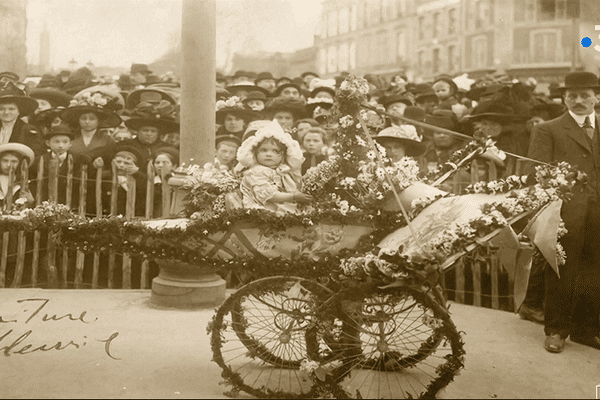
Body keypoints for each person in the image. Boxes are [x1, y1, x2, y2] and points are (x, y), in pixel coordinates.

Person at [528, 71, 600, 353]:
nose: (579, 101)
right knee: (561, 270)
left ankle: (586, 329)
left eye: (585, 95)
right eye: (572, 96)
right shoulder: (548, 129)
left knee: (594, 271)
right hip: (565, 213)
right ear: (564, 99)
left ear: (597, 97)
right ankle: (556, 330)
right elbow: (537, 173)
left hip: (598, 214)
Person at [237, 120, 311, 214]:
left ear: (283, 155)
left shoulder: (282, 169)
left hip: (281, 205)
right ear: (255, 153)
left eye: (275, 151)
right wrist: (293, 196)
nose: (269, 154)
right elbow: (270, 195)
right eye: (264, 150)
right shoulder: (257, 171)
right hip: (265, 209)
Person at [32, 124, 89, 207]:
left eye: (65, 142)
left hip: (71, 204)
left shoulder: (78, 160)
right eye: (56, 141)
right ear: (48, 143)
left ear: (70, 144)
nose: (61, 145)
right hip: (44, 203)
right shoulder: (39, 160)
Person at [60, 92, 122, 160]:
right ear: (78, 120)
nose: (87, 122)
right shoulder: (70, 137)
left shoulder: (108, 139)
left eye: (92, 119)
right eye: (83, 118)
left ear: (98, 121)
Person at [0, 82, 45, 156]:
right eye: (1, 109)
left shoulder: (29, 131)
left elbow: (36, 154)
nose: (6, 112)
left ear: (18, 112)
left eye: (11, 109)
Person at [0, 143, 35, 210]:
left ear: (19, 163)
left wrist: (31, 201)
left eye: (14, 161)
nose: (8, 165)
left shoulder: (24, 183)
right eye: (5, 160)